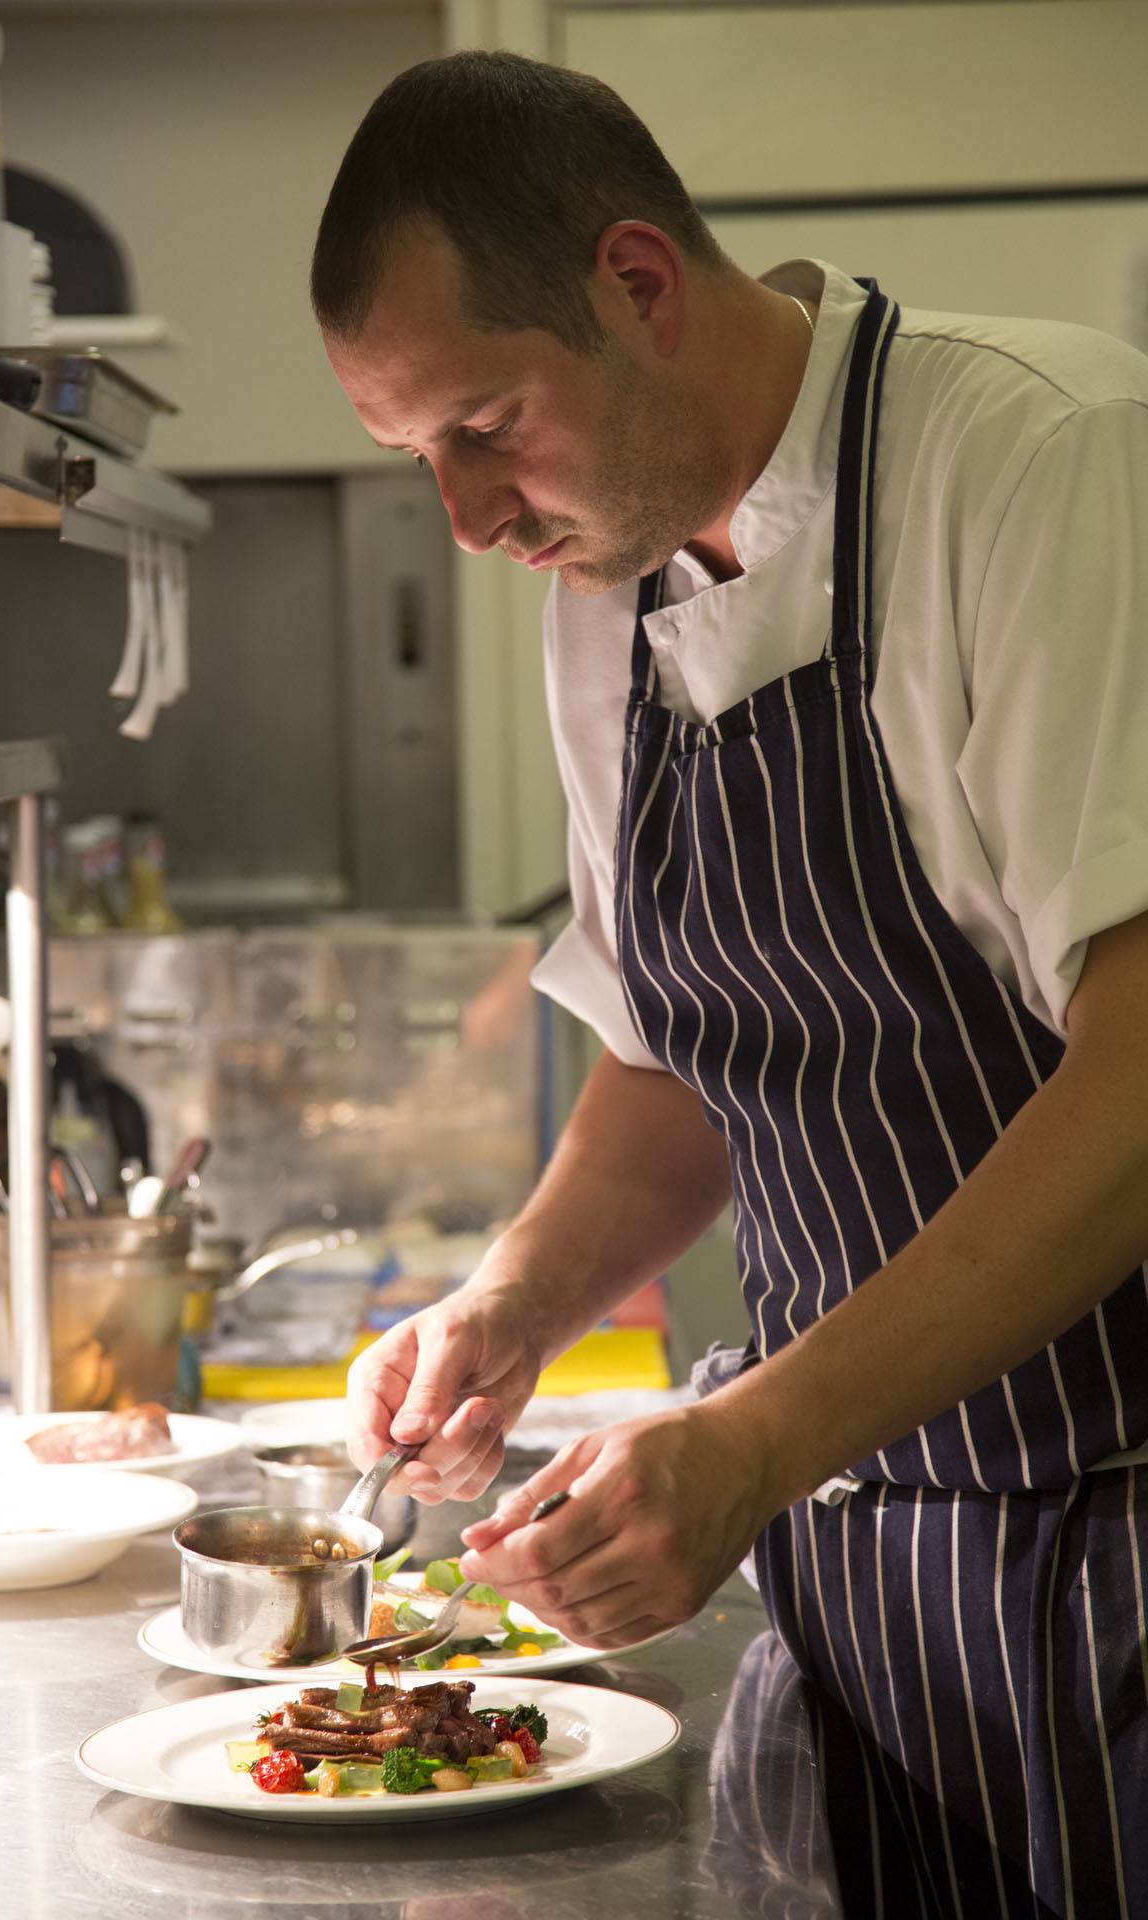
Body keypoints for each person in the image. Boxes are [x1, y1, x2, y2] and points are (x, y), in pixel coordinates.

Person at [312, 49, 1148, 1916]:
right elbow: (685, 1058)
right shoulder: (602, 590)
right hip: (854, 1577)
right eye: (415, 457)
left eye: (487, 423)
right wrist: (514, 1303)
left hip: (1122, 1547)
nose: (465, 514)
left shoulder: (1035, 455)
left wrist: (753, 1432)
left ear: (639, 283)